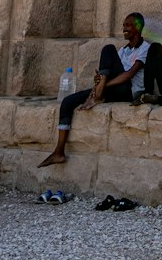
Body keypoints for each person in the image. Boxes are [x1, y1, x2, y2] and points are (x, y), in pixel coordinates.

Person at [40, 13, 149, 166]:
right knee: (68, 101)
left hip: (129, 91)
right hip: (111, 89)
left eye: (128, 25)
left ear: (138, 27)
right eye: (123, 25)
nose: (124, 29)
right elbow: (111, 74)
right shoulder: (123, 51)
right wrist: (99, 81)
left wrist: (102, 86)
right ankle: (59, 152)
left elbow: (128, 76)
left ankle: (97, 95)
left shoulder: (146, 48)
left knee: (108, 48)